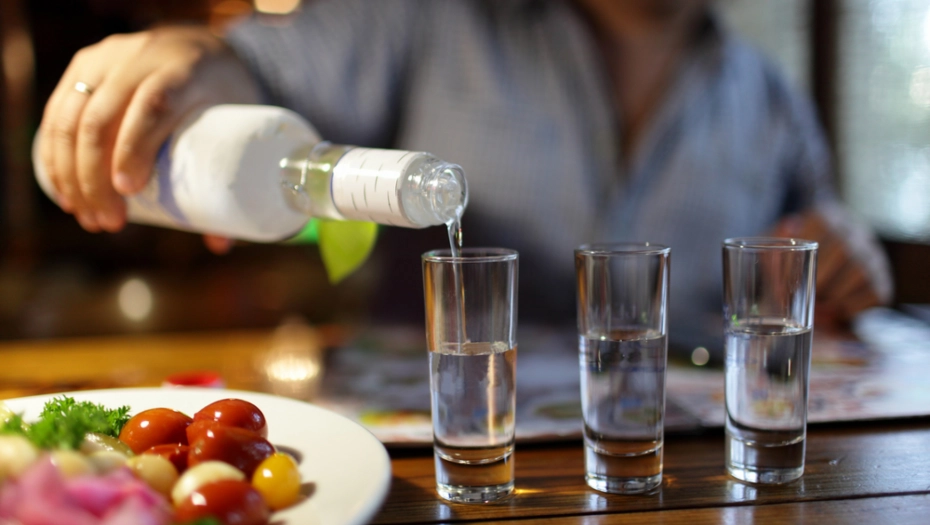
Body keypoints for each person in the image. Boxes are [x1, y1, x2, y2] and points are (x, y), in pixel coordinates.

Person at [34, 0, 891, 356]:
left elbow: (815, 244)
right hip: (434, 461)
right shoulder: (432, 19)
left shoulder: (771, 98)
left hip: (679, 472)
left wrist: (846, 259)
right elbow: (258, 71)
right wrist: (193, 59)